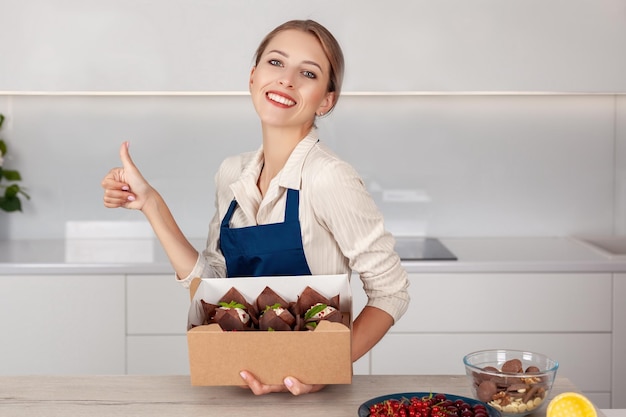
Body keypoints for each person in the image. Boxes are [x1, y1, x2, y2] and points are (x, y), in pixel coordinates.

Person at [101, 19, 410, 396]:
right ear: (253, 77)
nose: (287, 80)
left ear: (326, 100)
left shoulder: (329, 178)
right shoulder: (231, 172)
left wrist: (323, 369)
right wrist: (150, 203)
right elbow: (211, 287)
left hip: (313, 398)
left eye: (308, 73)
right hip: (238, 385)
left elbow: (391, 292)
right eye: (276, 63)